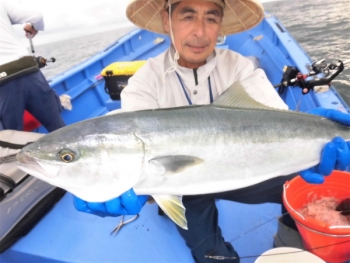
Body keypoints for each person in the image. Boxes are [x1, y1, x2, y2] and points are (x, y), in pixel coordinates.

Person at [74, 0, 350, 262]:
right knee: (211, 255)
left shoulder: (239, 67)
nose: (200, 31)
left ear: (220, 24)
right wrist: (135, 188)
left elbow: (275, 119)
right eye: (188, 15)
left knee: (314, 190)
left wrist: (312, 134)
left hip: (248, 170)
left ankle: (294, 239)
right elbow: (132, 141)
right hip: (180, 188)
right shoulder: (144, 83)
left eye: (211, 17)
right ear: (166, 18)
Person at [0, 0, 65, 132]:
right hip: (28, 69)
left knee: (11, 140)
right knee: (58, 127)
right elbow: (36, 16)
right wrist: (34, 27)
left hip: (3, 81)